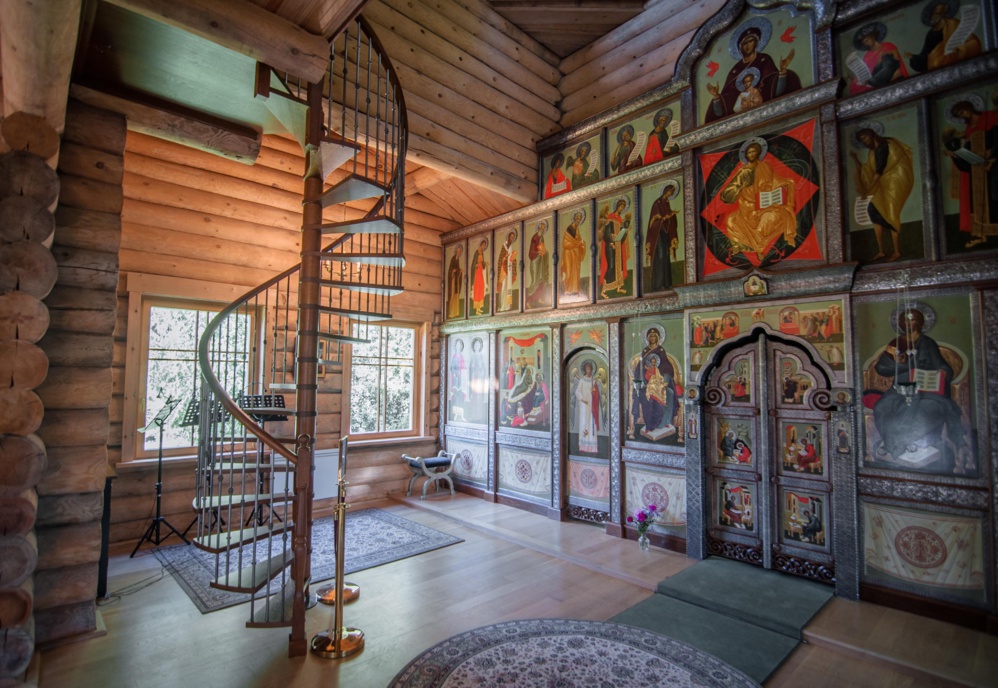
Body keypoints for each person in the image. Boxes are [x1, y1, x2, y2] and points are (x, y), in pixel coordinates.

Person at [868, 308, 968, 469]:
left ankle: (906, 443)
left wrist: (943, 372)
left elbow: (943, 365)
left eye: (913, 319)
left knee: (919, 410)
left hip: (923, 390)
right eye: (905, 320)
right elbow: (881, 368)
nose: (908, 323)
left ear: (920, 322)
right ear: (900, 323)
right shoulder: (896, 344)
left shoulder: (927, 343)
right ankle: (891, 444)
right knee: (881, 407)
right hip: (898, 390)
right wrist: (901, 365)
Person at [704, 22, 801, 123]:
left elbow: (773, 85)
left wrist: (782, 72)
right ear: (740, 47)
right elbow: (727, 99)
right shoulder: (735, 70)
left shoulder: (764, 60)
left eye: (750, 41)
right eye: (744, 43)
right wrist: (716, 97)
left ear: (756, 42)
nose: (747, 46)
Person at [719, 139, 798, 260]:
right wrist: (740, 187)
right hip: (746, 209)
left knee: (767, 222)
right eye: (749, 153)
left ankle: (760, 249)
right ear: (746, 155)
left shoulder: (765, 167)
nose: (751, 155)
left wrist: (785, 185)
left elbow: (776, 181)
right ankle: (741, 245)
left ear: (759, 153)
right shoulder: (743, 172)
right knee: (731, 220)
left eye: (753, 152)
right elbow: (726, 195)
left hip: (767, 206)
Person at [850, 126, 915, 262]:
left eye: (865, 138)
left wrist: (868, 191)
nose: (865, 142)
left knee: (891, 214)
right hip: (882, 184)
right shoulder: (872, 153)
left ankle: (896, 251)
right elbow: (869, 171)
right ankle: (881, 251)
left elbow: (878, 173)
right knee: (873, 211)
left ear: (872, 135)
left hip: (895, 181)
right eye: (862, 140)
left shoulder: (884, 147)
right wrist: (856, 161)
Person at [942, 99, 998, 248]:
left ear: (968, 108)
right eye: (959, 115)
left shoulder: (990, 117)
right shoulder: (968, 128)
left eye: (962, 112)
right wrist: (955, 154)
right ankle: (981, 235)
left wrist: (992, 153)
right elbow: (969, 149)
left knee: (994, 199)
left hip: (993, 166)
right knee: (978, 204)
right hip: (977, 170)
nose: (962, 116)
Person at [907, 0, 982, 74]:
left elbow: (973, 43)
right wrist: (913, 58)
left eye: (938, 13)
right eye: (934, 13)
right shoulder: (930, 33)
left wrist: (959, 51)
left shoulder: (953, 25)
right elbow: (926, 54)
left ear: (944, 13)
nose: (934, 16)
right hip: (937, 69)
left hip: (955, 65)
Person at [847, 21, 908, 96]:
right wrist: (857, 80)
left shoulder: (888, 47)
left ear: (873, 36)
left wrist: (870, 81)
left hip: (893, 84)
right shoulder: (867, 55)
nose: (866, 43)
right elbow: (867, 73)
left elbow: (888, 69)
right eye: (864, 42)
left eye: (867, 40)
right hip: (875, 85)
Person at [645, 182, 679, 293]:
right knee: (659, 257)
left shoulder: (666, 203)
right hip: (658, 235)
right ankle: (658, 285)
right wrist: (664, 218)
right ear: (665, 191)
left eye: (672, 193)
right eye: (669, 191)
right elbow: (653, 223)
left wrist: (671, 216)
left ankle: (666, 283)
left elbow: (667, 218)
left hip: (665, 234)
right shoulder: (657, 203)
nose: (670, 194)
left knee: (666, 256)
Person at [599, 199, 631, 298]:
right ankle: (603, 290)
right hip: (610, 246)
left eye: (623, 207)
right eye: (620, 206)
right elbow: (606, 234)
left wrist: (625, 231)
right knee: (611, 266)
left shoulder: (620, 220)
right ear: (617, 206)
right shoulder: (610, 218)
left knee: (619, 267)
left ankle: (618, 287)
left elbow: (620, 236)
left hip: (618, 246)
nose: (621, 209)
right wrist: (611, 242)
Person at [574, 361, 600, 453]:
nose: (588, 370)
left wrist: (594, 392)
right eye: (587, 369)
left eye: (590, 369)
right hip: (584, 405)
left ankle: (593, 447)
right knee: (584, 423)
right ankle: (583, 447)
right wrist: (582, 399)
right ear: (585, 370)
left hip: (592, 405)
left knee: (591, 424)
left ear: (592, 370)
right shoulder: (582, 380)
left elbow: (597, 394)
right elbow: (577, 391)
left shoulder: (593, 381)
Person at [560, 210, 587, 297]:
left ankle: (574, 290)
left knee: (575, 272)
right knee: (569, 272)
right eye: (577, 218)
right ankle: (567, 290)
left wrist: (582, 244)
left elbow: (578, 241)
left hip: (575, 254)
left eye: (580, 218)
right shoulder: (569, 228)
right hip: (568, 254)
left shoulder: (577, 230)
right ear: (574, 218)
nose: (578, 220)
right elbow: (565, 244)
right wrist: (577, 244)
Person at [526, 221, 551, 308]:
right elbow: (531, 252)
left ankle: (540, 297)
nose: (542, 230)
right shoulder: (534, 238)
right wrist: (538, 252)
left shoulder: (542, 238)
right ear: (538, 228)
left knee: (541, 280)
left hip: (541, 261)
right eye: (541, 228)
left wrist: (545, 252)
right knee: (535, 281)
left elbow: (543, 249)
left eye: (543, 229)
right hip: (535, 261)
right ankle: (528, 300)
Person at [495, 229, 518, 312]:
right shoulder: (504, 246)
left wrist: (513, 258)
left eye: (513, 237)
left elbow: (513, 260)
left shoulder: (511, 248)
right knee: (503, 287)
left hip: (509, 269)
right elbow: (500, 259)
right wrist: (504, 258)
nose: (511, 239)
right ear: (508, 237)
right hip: (504, 270)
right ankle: (501, 306)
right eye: (510, 237)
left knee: (509, 288)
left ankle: (507, 306)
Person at [469, 338, 488, 422]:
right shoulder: (472, 356)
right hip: (473, 379)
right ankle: (473, 416)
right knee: (473, 399)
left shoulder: (481, 356)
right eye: (475, 345)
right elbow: (470, 369)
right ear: (474, 346)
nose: (477, 346)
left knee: (479, 398)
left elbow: (483, 369)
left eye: (478, 345)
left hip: (479, 379)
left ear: (480, 346)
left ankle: (479, 416)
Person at [470, 238, 489, 315]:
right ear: (481, 245)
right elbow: (473, 264)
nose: (483, 247)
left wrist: (485, 264)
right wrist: (476, 265)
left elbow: (482, 263)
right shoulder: (476, 252)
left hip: (481, 272)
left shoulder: (482, 253)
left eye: (484, 245)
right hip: (477, 272)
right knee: (477, 289)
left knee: (481, 288)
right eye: (483, 245)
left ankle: (479, 307)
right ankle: (476, 309)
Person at [446, 243, 463, 319]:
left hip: (456, 280)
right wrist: (452, 271)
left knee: (456, 296)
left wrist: (460, 271)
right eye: (458, 251)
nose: (458, 253)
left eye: (460, 252)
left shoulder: (457, 259)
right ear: (456, 251)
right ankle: (450, 313)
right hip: (453, 280)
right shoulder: (453, 259)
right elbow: (450, 270)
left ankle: (456, 312)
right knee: (452, 296)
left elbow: (457, 269)